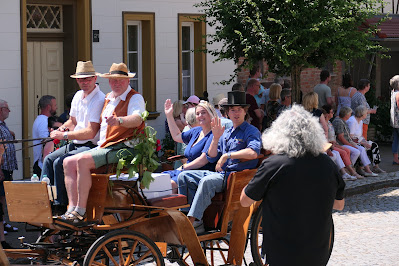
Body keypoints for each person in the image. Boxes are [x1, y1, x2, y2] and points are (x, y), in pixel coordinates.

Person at [240, 104, 345, 266]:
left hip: (282, 251)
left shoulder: (273, 165)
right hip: (317, 251)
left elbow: (245, 200)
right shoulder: (328, 164)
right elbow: (339, 205)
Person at [60, 62, 145, 223]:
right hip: (106, 146)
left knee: (83, 161)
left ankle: (81, 211)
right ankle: (71, 209)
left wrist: (120, 120)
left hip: (125, 148)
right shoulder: (108, 98)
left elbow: (137, 118)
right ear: (109, 82)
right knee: (67, 162)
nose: (116, 83)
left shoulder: (134, 97)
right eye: (113, 80)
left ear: (128, 81)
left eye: (120, 80)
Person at [178, 91, 261, 233]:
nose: (236, 113)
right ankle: (186, 215)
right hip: (222, 175)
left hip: (236, 176)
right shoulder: (226, 132)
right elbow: (211, 156)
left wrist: (228, 155)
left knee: (207, 181)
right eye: (232, 110)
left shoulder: (250, 131)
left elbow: (253, 153)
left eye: (239, 110)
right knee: (183, 176)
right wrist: (216, 138)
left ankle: (194, 221)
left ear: (245, 111)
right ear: (227, 113)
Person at [41, 61, 105, 210]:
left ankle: (61, 206)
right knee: (49, 159)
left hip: (91, 145)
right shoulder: (77, 96)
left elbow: (91, 132)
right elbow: (73, 121)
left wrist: (64, 136)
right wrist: (62, 128)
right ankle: (45, 200)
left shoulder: (99, 99)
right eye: (82, 79)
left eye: (88, 79)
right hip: (76, 144)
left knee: (59, 162)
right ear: (77, 80)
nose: (85, 82)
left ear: (95, 78)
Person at [164, 100, 217, 193]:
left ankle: (173, 208)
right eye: (197, 113)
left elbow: (202, 160)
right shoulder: (196, 131)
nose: (200, 116)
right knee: (160, 178)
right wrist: (169, 115)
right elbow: (177, 136)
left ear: (211, 114)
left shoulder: (214, 134)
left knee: (170, 185)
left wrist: (183, 168)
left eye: (203, 113)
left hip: (198, 174)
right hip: (186, 170)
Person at [332, 107, 377, 177]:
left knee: (362, 149)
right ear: (346, 115)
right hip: (343, 143)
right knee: (357, 151)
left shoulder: (343, 121)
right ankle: (350, 169)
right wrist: (351, 145)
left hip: (350, 141)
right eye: (349, 114)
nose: (350, 115)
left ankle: (366, 169)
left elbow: (357, 136)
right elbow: (341, 138)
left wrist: (362, 141)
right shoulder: (340, 122)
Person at [321, 104, 361, 180]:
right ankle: (349, 172)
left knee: (347, 151)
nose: (333, 113)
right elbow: (335, 137)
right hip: (329, 145)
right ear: (327, 114)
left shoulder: (329, 122)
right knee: (343, 152)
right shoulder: (325, 124)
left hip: (333, 144)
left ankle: (347, 171)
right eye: (332, 112)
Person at [346, 105, 385, 173]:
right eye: (366, 113)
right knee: (363, 147)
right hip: (352, 142)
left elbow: (360, 135)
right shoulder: (352, 121)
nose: (367, 114)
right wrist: (363, 143)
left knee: (373, 145)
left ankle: (376, 166)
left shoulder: (360, 121)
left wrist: (365, 142)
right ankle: (361, 167)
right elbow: (351, 137)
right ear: (362, 114)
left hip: (359, 140)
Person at [0, 100, 18, 235]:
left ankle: (3, 222)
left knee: (3, 196)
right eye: (7, 108)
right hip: (2, 167)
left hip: (8, 167)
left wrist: (10, 133)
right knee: (0, 197)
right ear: (1, 110)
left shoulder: (3, 125)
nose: (9, 111)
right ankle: (2, 223)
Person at [32, 95, 58, 176]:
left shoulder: (41, 120)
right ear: (48, 107)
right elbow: (46, 142)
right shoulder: (44, 121)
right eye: (55, 105)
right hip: (42, 166)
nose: (56, 107)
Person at [390, 75, 399, 165]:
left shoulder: (393, 92)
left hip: (394, 120)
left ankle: (395, 159)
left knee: (396, 139)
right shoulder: (398, 94)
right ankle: (396, 159)